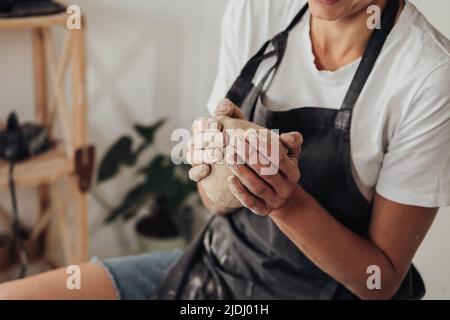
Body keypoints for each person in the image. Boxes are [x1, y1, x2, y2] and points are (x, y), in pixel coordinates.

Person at [0, 0, 449, 300]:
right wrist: (221, 166)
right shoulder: (259, 10)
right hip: (213, 271)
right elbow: (214, 204)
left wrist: (285, 202)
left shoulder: (426, 74)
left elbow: (380, 280)